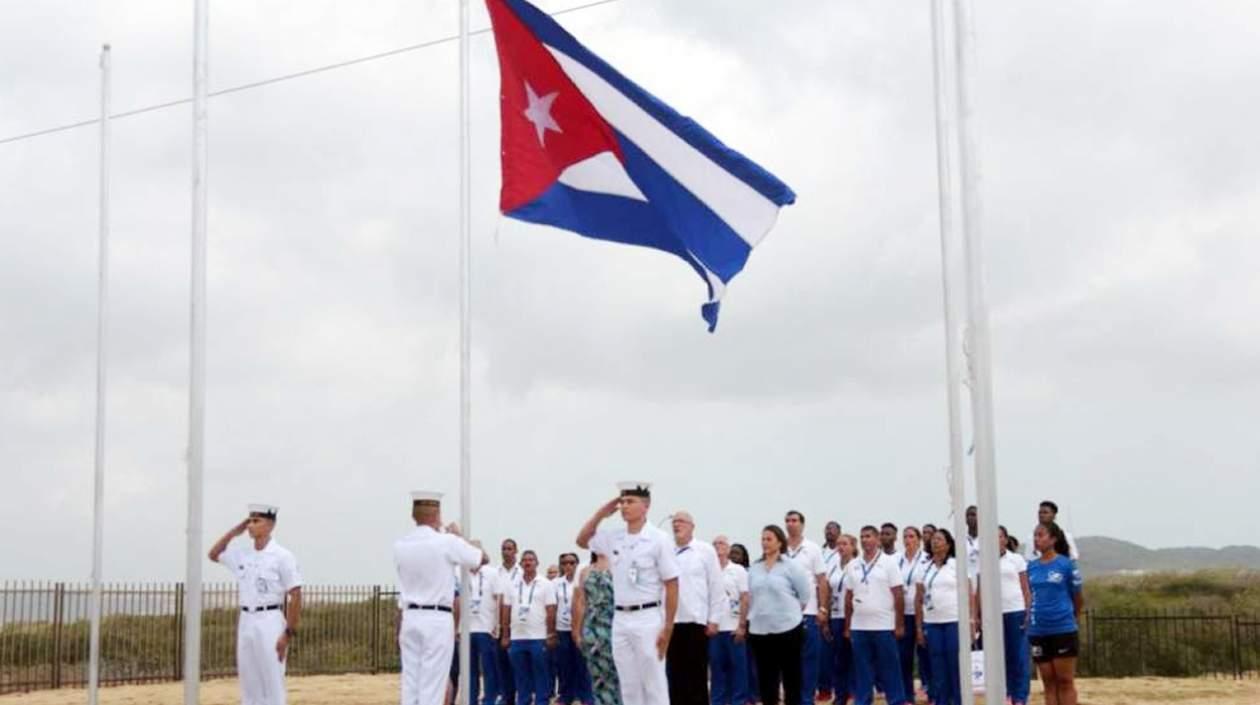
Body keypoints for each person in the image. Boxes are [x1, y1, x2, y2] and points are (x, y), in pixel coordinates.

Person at [577, 482, 680, 705]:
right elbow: (582, 540)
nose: (624, 506)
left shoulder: (658, 539)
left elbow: (672, 584)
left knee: (654, 684)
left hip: (648, 616)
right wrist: (600, 515)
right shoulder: (614, 537)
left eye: (630, 501)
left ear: (646, 506)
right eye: (622, 502)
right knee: (629, 685)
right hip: (620, 618)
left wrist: (668, 627)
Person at [391, 491, 486, 705]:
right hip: (436, 618)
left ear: (414, 515)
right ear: (437, 514)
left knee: (411, 683)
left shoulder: (401, 545)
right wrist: (459, 536)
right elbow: (481, 559)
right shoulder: (447, 542)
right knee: (432, 684)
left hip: (410, 617)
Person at [208, 504, 303, 705]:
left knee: (272, 679)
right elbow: (214, 554)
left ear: (270, 525)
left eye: (256, 521)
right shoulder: (243, 554)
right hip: (246, 620)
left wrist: (288, 633)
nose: (250, 525)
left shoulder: (282, 556)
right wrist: (235, 531)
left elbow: (295, 594)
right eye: (249, 521)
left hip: (269, 620)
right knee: (249, 679)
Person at [747, 524, 811, 705]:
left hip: (788, 629)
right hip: (760, 631)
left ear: (779, 542)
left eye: (769, 539)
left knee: (792, 677)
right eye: (763, 539)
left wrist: (789, 611)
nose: (765, 543)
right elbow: (750, 595)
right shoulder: (755, 568)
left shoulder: (790, 566)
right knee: (766, 678)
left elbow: (804, 594)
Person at [843, 526, 906, 705]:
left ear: (877, 539)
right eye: (862, 537)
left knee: (890, 668)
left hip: (884, 625)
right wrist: (848, 626)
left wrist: (899, 624)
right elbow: (848, 597)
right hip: (860, 626)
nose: (865, 540)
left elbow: (898, 593)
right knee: (862, 669)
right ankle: (862, 701)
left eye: (868, 536)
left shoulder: (888, 562)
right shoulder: (853, 565)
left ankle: (896, 701)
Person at [667, 511, 724, 705]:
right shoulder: (666, 550)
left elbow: (716, 585)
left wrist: (714, 619)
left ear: (692, 526)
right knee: (674, 676)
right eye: (674, 522)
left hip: (695, 622)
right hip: (671, 622)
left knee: (696, 675)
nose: (677, 525)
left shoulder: (704, 551)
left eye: (681, 521)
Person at [1027, 522, 1083, 705]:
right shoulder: (1031, 567)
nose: (1037, 539)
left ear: (1053, 539)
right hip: (1038, 630)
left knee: (1065, 681)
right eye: (1035, 535)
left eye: (1041, 535)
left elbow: (1077, 596)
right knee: (1048, 682)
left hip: (1063, 628)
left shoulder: (1066, 564)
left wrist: (1072, 618)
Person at [915, 528, 972, 705]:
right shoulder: (924, 567)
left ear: (948, 545)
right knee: (937, 665)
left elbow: (970, 593)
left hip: (954, 621)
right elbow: (919, 599)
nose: (935, 542)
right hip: (932, 623)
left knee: (954, 664)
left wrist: (972, 619)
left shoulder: (957, 564)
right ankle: (941, 701)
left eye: (939, 539)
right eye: (933, 539)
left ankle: (958, 700)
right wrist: (919, 627)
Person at [977, 526, 1032, 705]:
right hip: (993, 614)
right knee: (999, 656)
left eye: (1000, 536)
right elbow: (980, 589)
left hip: (1015, 610)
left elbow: (1025, 587)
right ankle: (1006, 693)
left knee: (1018, 655)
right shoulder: (984, 561)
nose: (996, 540)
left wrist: (1028, 610)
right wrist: (977, 614)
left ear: (1006, 539)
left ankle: (1020, 696)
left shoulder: (1016, 559)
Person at [783, 511, 829, 705]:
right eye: (788, 521)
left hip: (808, 613)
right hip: (783, 616)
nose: (791, 524)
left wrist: (823, 608)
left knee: (809, 661)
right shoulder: (779, 548)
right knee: (787, 662)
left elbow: (821, 580)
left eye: (794, 521)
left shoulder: (812, 549)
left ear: (802, 524)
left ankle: (807, 699)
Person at [502, 550, 558, 705]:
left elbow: (551, 610)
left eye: (531, 560)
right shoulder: (512, 583)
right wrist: (505, 635)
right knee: (521, 675)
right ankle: (524, 701)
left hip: (538, 637)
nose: (528, 562)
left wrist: (551, 634)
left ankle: (541, 702)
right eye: (525, 560)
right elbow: (506, 609)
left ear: (537, 563)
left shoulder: (545, 584)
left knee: (541, 674)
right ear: (521, 564)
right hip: (517, 637)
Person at [573, 552, 622, 705]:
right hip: (592, 626)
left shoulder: (618, 568)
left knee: (616, 672)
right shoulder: (585, 571)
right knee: (596, 673)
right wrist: (577, 631)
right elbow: (580, 602)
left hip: (614, 623)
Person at [710, 535, 750, 705]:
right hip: (714, 629)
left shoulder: (738, 570)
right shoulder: (708, 569)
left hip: (733, 628)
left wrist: (742, 625)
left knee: (738, 670)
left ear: (728, 548)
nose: (718, 547)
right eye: (715, 544)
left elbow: (745, 597)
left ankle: (738, 701)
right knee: (717, 670)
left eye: (722, 543)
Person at [555, 553, 592, 705]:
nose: (568, 566)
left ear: (577, 564)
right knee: (564, 664)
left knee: (582, 664)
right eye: (565, 563)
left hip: (581, 628)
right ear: (561, 565)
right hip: (562, 628)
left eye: (572, 563)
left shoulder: (583, 581)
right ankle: (566, 696)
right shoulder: (556, 583)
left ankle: (586, 697)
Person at [826, 534, 857, 705]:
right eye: (839, 544)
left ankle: (854, 692)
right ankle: (840, 695)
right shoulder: (832, 566)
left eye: (845, 544)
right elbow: (828, 589)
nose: (841, 547)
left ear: (853, 546)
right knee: (838, 658)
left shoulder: (857, 566)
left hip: (853, 616)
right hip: (836, 615)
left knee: (853, 657)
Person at [469, 559, 505, 705]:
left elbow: (499, 598)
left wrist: (497, 624)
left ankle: (489, 699)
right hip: (466, 629)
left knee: (489, 667)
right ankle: (471, 699)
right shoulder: (460, 572)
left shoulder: (492, 573)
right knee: (469, 670)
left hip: (486, 627)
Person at [897, 526, 926, 703]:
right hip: (903, 613)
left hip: (922, 613)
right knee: (904, 657)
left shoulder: (925, 559)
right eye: (905, 536)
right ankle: (907, 695)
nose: (908, 539)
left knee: (926, 656)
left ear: (919, 539)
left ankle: (931, 691)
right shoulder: (896, 560)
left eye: (912, 536)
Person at [730, 543, 760, 705]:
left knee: (751, 660)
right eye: (732, 553)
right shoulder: (724, 573)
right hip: (730, 622)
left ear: (744, 557)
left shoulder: (751, 574)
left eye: (737, 553)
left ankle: (753, 695)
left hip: (750, 621)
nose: (734, 556)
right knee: (736, 663)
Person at [818, 521, 841, 703]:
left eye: (832, 530)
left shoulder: (842, 553)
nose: (829, 532)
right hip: (821, 605)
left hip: (840, 608)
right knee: (823, 653)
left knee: (841, 652)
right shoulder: (820, 552)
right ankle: (824, 688)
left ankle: (844, 689)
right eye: (827, 529)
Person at [498, 539, 523, 705]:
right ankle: (505, 697)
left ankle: (520, 697)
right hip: (498, 625)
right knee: (501, 664)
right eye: (504, 549)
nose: (506, 552)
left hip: (517, 626)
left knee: (517, 665)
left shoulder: (522, 572)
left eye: (509, 549)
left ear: (516, 551)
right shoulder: (495, 572)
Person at [964, 507, 980, 579]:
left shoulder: (987, 539)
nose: (970, 517)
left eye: (973, 515)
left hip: (984, 581)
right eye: (967, 515)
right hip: (966, 580)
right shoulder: (960, 540)